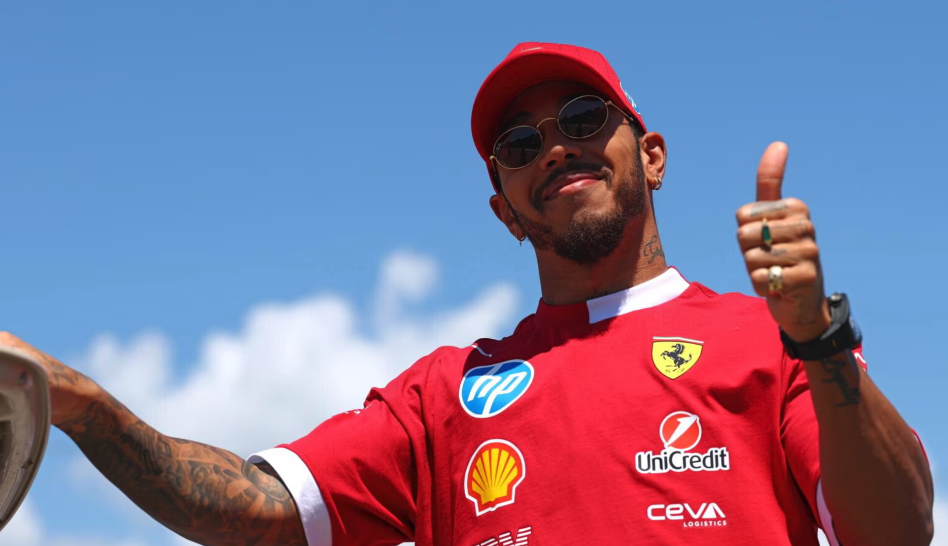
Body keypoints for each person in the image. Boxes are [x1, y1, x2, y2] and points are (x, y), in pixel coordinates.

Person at [1, 42, 934, 546]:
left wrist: (816, 337)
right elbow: (255, 509)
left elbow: (896, 533)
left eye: (582, 118)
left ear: (650, 154)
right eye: (519, 146)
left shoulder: (771, 340)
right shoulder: (444, 396)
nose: (554, 146)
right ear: (503, 209)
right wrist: (81, 403)